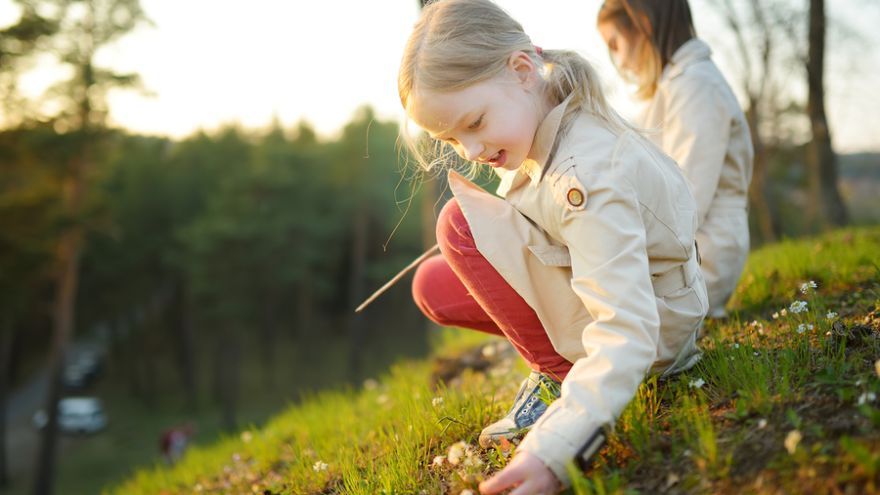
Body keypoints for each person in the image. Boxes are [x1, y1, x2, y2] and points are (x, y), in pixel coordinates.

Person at [399, 0, 708, 492]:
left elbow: (627, 328)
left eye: (475, 123)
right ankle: (557, 365)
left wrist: (558, 449)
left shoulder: (584, 175)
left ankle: (562, 376)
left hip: (653, 332)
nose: (472, 152)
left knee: (458, 224)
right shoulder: (539, 125)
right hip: (643, 303)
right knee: (434, 284)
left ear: (522, 71)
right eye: (453, 141)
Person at [597, 0, 754, 319]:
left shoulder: (697, 85)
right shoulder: (675, 86)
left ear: (644, 24)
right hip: (686, 249)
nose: (619, 61)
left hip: (703, 253)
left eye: (616, 44)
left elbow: (688, 200)